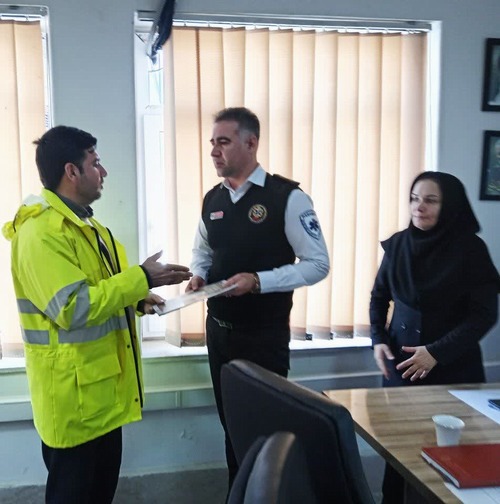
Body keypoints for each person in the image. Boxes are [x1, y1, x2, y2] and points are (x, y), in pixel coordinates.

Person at [2, 125, 192, 504]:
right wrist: (140, 278)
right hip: (73, 405)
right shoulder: (41, 232)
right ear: (71, 171)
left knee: (99, 495)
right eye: (96, 163)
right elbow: (72, 308)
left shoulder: (90, 228)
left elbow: (101, 291)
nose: (103, 172)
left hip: (102, 397)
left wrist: (138, 298)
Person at [186, 107, 330, 493]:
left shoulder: (288, 198)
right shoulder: (213, 199)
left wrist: (259, 282)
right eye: (212, 142)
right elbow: (203, 250)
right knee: (231, 427)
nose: (214, 151)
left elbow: (318, 264)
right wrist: (199, 274)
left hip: (263, 336)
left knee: (264, 431)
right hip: (219, 333)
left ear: (251, 143)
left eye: (223, 142)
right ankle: (238, 494)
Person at [369, 171, 500, 504]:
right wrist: (378, 339)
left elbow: (484, 315)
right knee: (399, 451)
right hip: (401, 367)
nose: (419, 207)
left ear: (449, 206)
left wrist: (436, 352)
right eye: (414, 199)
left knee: (451, 459)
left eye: (430, 200)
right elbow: (379, 296)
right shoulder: (398, 244)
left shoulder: (471, 250)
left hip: (453, 368)